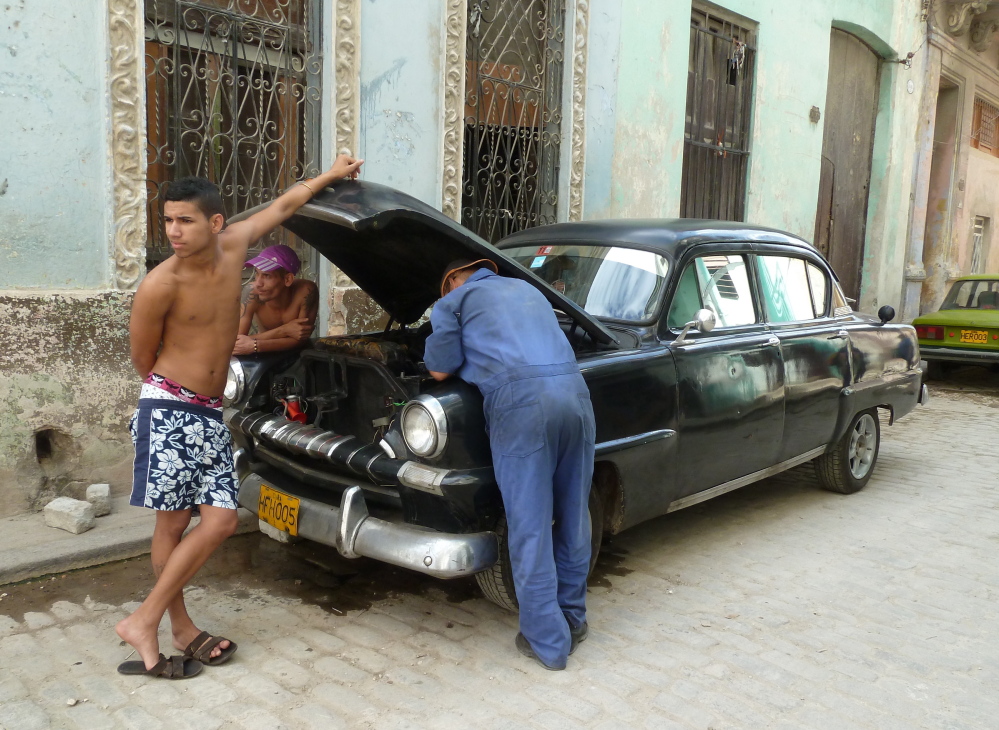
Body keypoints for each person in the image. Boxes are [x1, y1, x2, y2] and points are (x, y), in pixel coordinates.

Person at [117, 154, 363, 679]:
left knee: (222, 521)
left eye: (184, 220)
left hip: (209, 410)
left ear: (215, 222)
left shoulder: (235, 251)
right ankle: (168, 626)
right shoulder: (160, 284)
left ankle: (147, 617)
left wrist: (333, 174)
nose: (174, 231)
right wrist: (178, 388)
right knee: (175, 522)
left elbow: (286, 202)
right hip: (169, 406)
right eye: (167, 221)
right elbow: (143, 358)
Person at [423, 259, 596, 671]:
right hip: (576, 397)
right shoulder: (531, 290)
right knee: (574, 513)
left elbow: (438, 369)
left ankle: (548, 644)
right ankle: (573, 619)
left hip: (522, 407)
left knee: (529, 524)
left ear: (450, 280)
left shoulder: (453, 303)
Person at [233, 245, 319, 355]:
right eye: (257, 273)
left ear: (287, 279)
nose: (258, 283)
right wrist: (284, 330)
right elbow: (237, 343)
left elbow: (300, 340)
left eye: (267, 276)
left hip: (298, 357)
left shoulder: (305, 291)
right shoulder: (252, 292)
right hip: (263, 357)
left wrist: (255, 345)